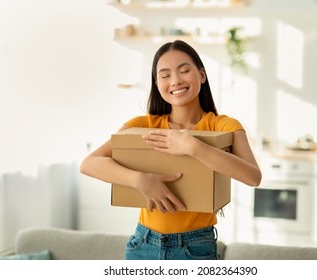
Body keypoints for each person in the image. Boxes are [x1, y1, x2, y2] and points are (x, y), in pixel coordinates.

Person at [80, 40, 262, 260]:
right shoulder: (141, 125)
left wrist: (193, 146)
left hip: (195, 247)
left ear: (202, 76)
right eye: (165, 75)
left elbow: (253, 176)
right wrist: (139, 180)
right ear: (157, 84)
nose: (176, 81)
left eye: (184, 71)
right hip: (143, 244)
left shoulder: (223, 125)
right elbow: (89, 163)